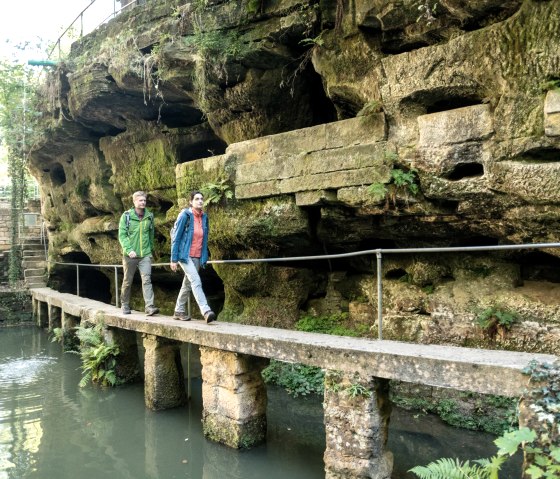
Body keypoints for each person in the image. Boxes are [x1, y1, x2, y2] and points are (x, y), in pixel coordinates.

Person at [170, 191, 216, 323]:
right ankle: (206, 310)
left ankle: (178, 310)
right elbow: (176, 238)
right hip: (184, 256)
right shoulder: (185, 216)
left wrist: (203, 257)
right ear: (191, 202)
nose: (200, 201)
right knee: (196, 280)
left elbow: (204, 239)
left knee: (187, 284)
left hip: (197, 255)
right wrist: (173, 259)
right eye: (197, 199)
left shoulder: (204, 217)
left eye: (202, 199)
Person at [118, 191, 159, 316]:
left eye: (144, 201)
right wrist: (129, 250)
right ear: (134, 201)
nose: (143, 203)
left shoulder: (149, 216)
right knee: (127, 280)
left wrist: (150, 249)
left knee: (147, 280)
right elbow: (122, 235)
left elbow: (151, 234)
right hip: (130, 255)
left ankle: (149, 307)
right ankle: (125, 304)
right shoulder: (126, 216)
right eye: (140, 200)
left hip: (145, 254)